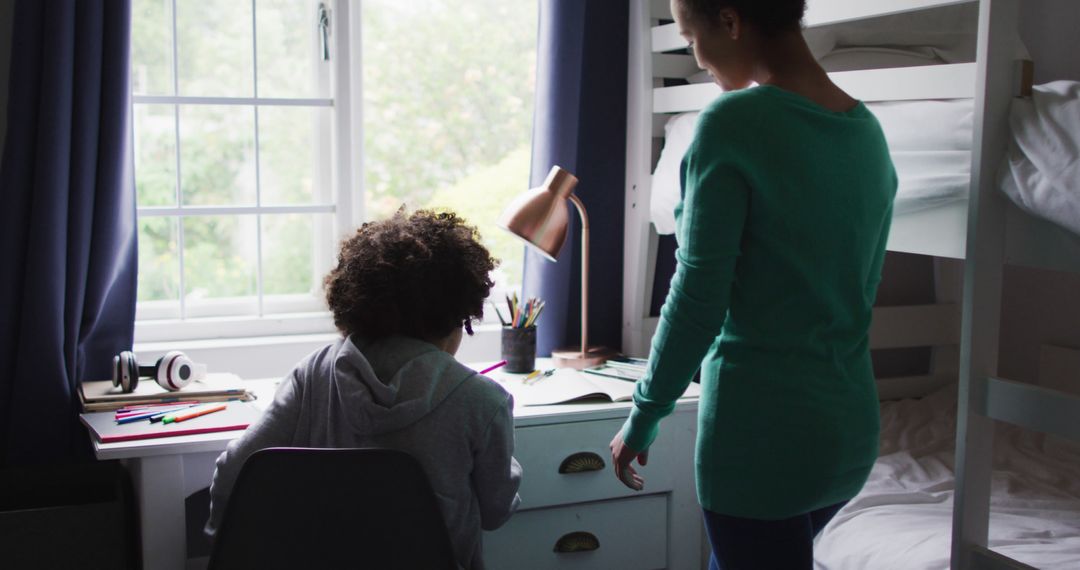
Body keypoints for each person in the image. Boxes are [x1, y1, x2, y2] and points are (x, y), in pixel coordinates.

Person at [609, 1, 896, 568]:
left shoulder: (732, 124)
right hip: (848, 433)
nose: (699, 59)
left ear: (731, 20)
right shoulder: (868, 133)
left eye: (692, 39)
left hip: (761, 440)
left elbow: (697, 299)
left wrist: (643, 415)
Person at [206, 209, 522, 569]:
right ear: (457, 317)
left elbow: (235, 468)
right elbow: (496, 512)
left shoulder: (312, 374)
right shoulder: (482, 401)